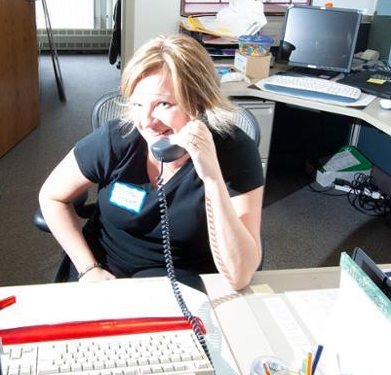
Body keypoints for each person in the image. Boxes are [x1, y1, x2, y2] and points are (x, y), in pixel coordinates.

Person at [39, 34, 264, 291]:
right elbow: (51, 197)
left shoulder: (233, 150)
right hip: (106, 278)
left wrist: (212, 178)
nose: (145, 121)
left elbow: (239, 276)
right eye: (137, 104)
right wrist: (88, 269)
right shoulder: (118, 138)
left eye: (163, 104)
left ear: (199, 102)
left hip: (187, 284)